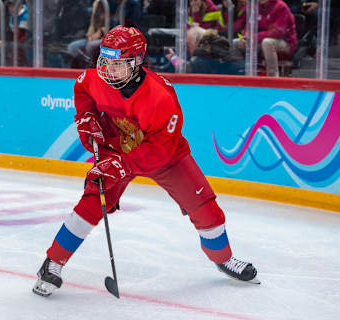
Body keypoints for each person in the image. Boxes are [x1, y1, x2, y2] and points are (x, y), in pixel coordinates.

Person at [32, 25, 260, 297]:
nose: (108, 70)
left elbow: (162, 148)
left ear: (137, 61)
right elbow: (82, 88)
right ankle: (52, 263)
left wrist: (124, 165)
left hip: (165, 157)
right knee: (94, 199)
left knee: (205, 209)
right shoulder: (96, 79)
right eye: (105, 61)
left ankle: (222, 259)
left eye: (117, 64)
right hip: (117, 149)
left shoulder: (159, 97)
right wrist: (87, 119)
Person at [234, 0, 297, 77]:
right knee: (236, 43)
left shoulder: (280, 6)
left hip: (284, 42)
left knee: (267, 42)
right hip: (260, 40)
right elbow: (249, 27)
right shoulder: (255, 6)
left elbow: (278, 32)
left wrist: (253, 37)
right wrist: (245, 38)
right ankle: (240, 74)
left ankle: (272, 77)